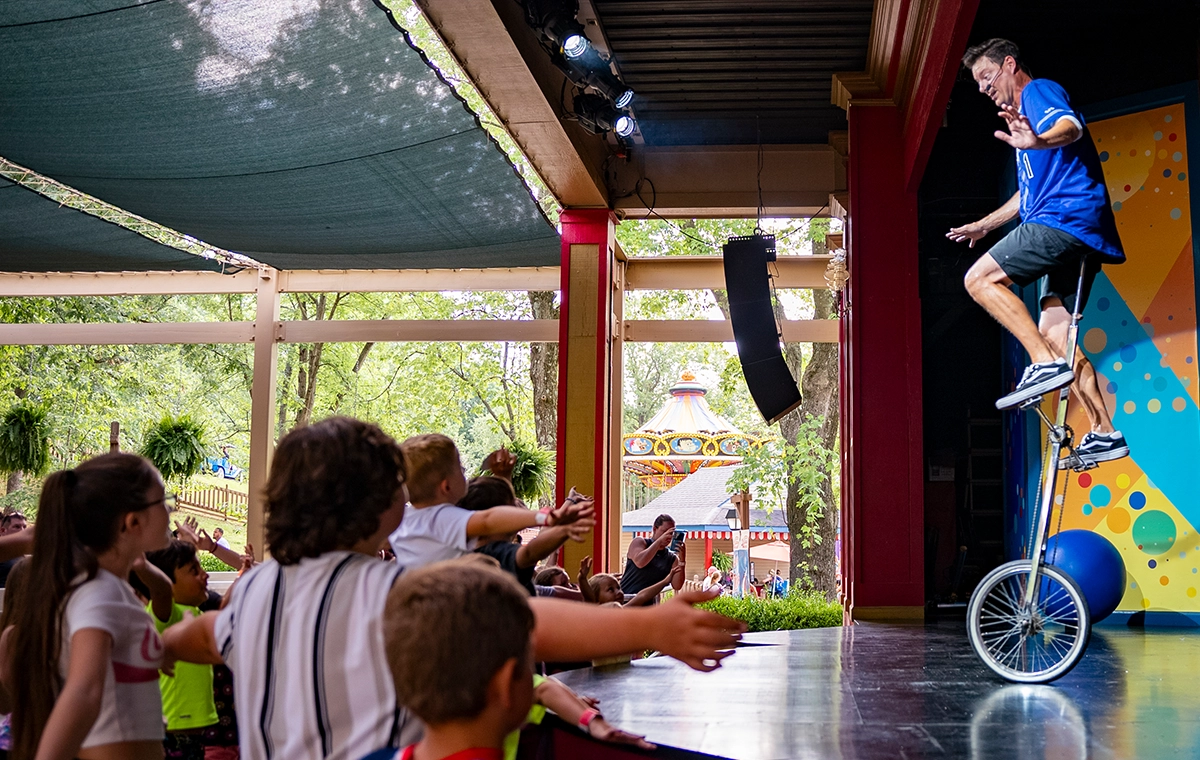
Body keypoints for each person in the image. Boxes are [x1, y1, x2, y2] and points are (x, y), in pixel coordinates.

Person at [162, 416, 745, 760]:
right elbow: (521, 622)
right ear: (382, 505)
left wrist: (156, 648)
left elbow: (203, 636)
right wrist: (648, 624)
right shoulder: (390, 591)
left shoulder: (256, 592)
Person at [949, 38, 1129, 468]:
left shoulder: (1037, 92)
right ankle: (1105, 430)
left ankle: (1043, 363)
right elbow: (1025, 198)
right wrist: (986, 224)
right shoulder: (1024, 131)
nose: (983, 89)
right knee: (1057, 331)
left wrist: (1037, 141)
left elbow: (1071, 127)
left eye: (986, 77)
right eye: (977, 84)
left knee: (979, 280)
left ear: (1010, 65)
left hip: (1065, 220)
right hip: (1070, 227)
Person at [365, 559, 654, 760]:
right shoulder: (495, 690)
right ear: (507, 682)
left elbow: (545, 689)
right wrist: (593, 722)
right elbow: (545, 689)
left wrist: (590, 719)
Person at [7, 452, 174, 760]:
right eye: (164, 501)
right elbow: (84, 691)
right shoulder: (100, 592)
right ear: (132, 521)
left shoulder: (108, 590)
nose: (171, 510)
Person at [389, 434, 593, 570]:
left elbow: (492, 510)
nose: (464, 473)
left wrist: (504, 478)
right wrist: (544, 517)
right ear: (446, 487)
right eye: (460, 468)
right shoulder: (440, 518)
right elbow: (488, 519)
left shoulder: (404, 519)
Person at [144, 540, 217, 760]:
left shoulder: (195, 614)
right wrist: (141, 565)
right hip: (173, 732)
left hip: (193, 735)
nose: (205, 575)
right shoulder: (168, 615)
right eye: (193, 571)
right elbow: (161, 591)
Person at [458, 476, 589, 595]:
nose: (517, 515)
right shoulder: (496, 552)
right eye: (512, 510)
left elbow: (542, 534)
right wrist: (565, 530)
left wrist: (569, 502)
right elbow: (530, 553)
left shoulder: (463, 550)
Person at [621, 514, 685, 596]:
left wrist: (682, 561)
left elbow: (677, 586)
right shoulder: (640, 542)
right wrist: (659, 542)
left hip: (649, 604)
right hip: (627, 598)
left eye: (671, 533)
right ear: (655, 529)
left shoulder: (671, 558)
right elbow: (640, 562)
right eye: (665, 532)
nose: (668, 536)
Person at [578, 556, 677, 608]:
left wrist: (665, 581)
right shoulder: (595, 612)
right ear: (595, 597)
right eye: (610, 589)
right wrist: (582, 579)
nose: (618, 592)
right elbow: (589, 598)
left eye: (618, 587)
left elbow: (642, 596)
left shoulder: (621, 610)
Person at [0, 513, 28, 588]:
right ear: (3, 531)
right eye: (17, 527)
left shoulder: (23, 555)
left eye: (24, 527)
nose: (22, 530)